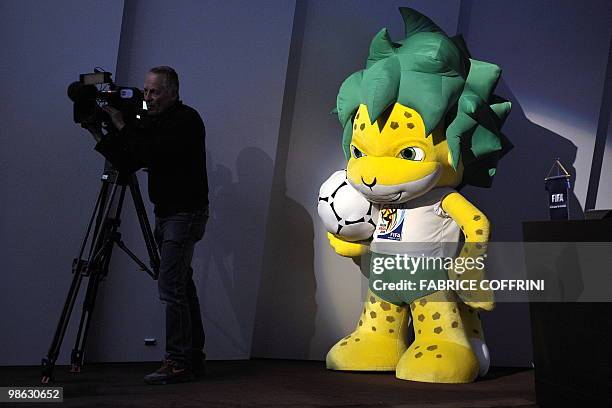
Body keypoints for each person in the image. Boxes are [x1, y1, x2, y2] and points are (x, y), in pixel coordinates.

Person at [93, 66, 209, 384]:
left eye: (155, 91)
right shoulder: (153, 120)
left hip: (184, 214)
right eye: (146, 91)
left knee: (171, 287)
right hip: (169, 213)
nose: (148, 98)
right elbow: (129, 159)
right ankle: (191, 358)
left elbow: (147, 153)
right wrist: (102, 130)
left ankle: (178, 361)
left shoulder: (185, 120)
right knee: (182, 285)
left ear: (173, 91)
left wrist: (120, 123)